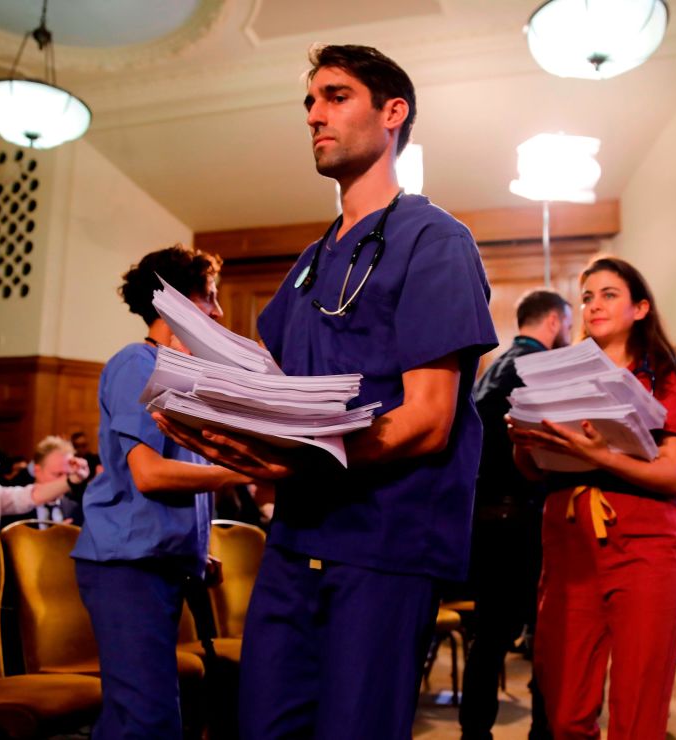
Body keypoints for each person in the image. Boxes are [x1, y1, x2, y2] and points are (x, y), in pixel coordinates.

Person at [155, 44, 497, 739]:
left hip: (383, 543)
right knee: (265, 726)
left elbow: (430, 419)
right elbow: (272, 382)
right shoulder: (313, 263)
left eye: (336, 97)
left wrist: (302, 460)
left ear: (392, 112)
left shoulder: (435, 240)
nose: (314, 114)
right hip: (296, 538)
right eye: (309, 102)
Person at [507, 257, 676, 740]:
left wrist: (601, 457)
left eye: (609, 294)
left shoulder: (668, 378)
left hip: (646, 543)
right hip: (567, 542)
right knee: (563, 706)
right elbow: (534, 472)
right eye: (587, 296)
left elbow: (674, 475)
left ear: (640, 308)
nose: (594, 304)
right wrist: (523, 441)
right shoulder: (556, 375)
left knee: (638, 703)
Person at [71, 244, 254, 740]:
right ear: (173, 301)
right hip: (125, 565)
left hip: (155, 561)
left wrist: (195, 548)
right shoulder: (137, 362)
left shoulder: (181, 373)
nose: (217, 311)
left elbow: (179, 469)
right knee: (147, 720)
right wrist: (244, 470)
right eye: (209, 298)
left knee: (141, 715)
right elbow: (149, 475)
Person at [460, 289, 570, 740]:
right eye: (568, 321)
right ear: (553, 322)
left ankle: (473, 732)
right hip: (526, 518)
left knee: (487, 638)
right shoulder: (542, 367)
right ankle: (543, 731)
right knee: (546, 635)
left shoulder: (492, 370)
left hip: (483, 519)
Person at [0, 435, 84, 530]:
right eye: (58, 474)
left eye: (68, 475)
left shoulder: (75, 510)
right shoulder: (13, 509)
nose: (65, 482)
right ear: (37, 470)